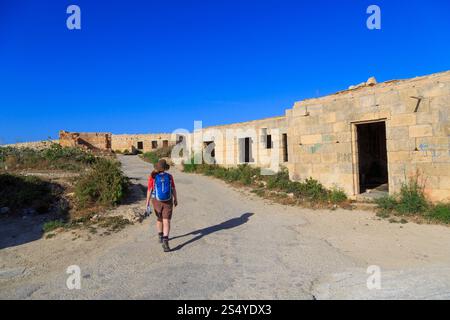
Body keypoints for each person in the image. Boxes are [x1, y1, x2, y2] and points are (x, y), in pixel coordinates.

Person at [146, 159, 178, 252]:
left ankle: (160, 235)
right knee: (166, 220)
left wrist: (147, 203)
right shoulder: (170, 176)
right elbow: (173, 189)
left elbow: (149, 190)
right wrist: (175, 199)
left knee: (159, 219)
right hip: (168, 200)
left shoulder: (153, 176)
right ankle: (165, 241)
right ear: (165, 168)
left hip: (156, 201)